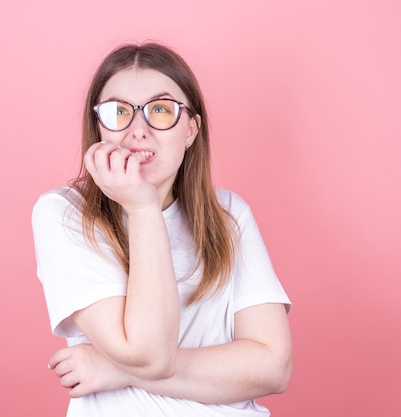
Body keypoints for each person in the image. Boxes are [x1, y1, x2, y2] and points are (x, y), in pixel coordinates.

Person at [32, 42, 292, 417]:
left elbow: (273, 368)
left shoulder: (229, 215)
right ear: (98, 127)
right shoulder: (65, 213)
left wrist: (117, 370)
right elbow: (149, 354)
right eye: (119, 112)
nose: (138, 130)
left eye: (160, 110)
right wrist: (141, 206)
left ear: (191, 129)